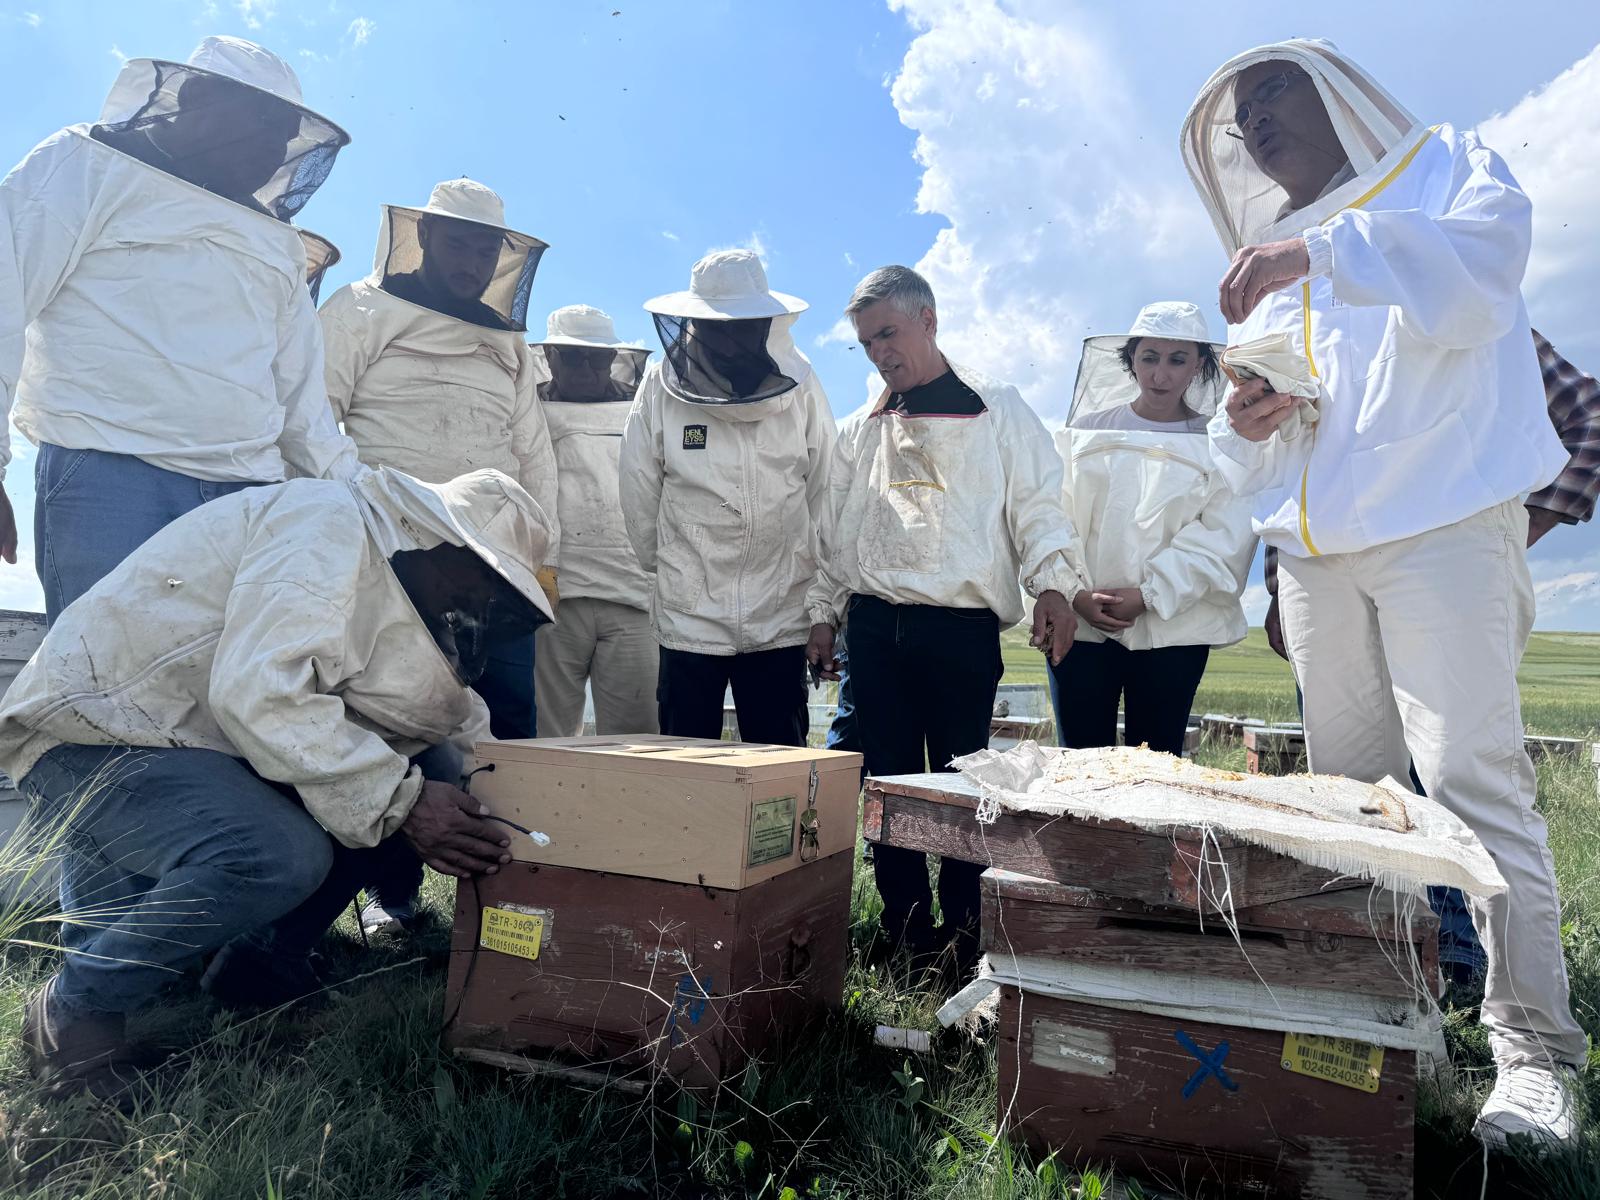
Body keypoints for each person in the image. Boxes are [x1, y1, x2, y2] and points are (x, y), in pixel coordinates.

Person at [1181, 38, 1582, 1149]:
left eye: (1270, 93)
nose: (1251, 125)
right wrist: (1246, 416)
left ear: (1335, 91)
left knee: (1472, 785)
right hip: (1317, 558)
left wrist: (1319, 251)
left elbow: (1480, 283)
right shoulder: (1269, 253)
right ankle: (1380, 1021)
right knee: (1350, 801)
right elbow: (1253, 438)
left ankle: (1535, 1052)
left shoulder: (1447, 165)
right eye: (1237, 118)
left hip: (1444, 527)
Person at [0, 467, 555, 1101]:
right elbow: (259, 693)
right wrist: (403, 801)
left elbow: (452, 726)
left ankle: (261, 961)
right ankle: (74, 1009)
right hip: (99, 729)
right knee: (276, 855)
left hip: (199, 739)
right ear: (438, 538)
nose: (477, 603)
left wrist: (521, 787)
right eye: (481, 580)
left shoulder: (394, 577)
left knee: (437, 771)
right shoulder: (327, 527)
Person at [1263, 327, 1600, 981]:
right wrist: (1281, 589)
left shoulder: (1474, 307)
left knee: (1448, 779)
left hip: (1443, 588)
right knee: (1355, 793)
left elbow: (1586, 416)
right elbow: (1292, 471)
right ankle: (1377, 960)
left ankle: (1464, 952)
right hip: (1329, 588)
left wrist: (1517, 526)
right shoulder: (1307, 334)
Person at [0, 36, 357, 618]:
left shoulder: (278, 240)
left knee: (223, 694)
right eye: (263, 122)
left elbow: (300, 394)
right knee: (100, 687)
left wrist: (357, 495)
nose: (276, 147)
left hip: (248, 494)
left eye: (286, 134)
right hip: (108, 475)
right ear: (194, 96)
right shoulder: (84, 162)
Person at [805, 265, 1080, 971]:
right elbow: (834, 529)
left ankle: (964, 934)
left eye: (888, 334)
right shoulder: (861, 428)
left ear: (928, 319)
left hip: (960, 628)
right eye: (867, 344)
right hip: (874, 625)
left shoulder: (998, 408)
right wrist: (822, 615)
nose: (880, 353)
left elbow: (1040, 503)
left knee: (964, 784)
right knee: (889, 785)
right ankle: (902, 932)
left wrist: (1053, 584)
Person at [319, 180, 557, 938]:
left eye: (488, 247)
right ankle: (393, 903)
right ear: (423, 236)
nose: (476, 258)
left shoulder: (509, 342)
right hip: (386, 558)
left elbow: (532, 454)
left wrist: (540, 558)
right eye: (461, 241)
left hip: (489, 563)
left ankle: (505, 909)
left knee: (505, 733)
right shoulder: (359, 307)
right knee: (392, 726)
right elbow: (314, 415)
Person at [619, 250, 833, 747]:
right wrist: (671, 569)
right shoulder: (659, 384)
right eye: (716, 325)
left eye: (742, 325)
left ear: (766, 324)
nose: (729, 337)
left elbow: (827, 489)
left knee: (778, 764)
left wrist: (823, 603)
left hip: (781, 611)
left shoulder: (801, 384)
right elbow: (637, 485)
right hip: (688, 615)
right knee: (685, 764)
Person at [1052, 302, 1255, 754]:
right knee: (1077, 768)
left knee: (1157, 766)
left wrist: (1149, 595)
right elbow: (1055, 518)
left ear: (1200, 364)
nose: (1160, 374)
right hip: (1083, 626)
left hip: (1174, 631)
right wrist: (1074, 594)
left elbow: (1224, 536)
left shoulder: (1219, 443)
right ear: (1131, 360)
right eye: (1149, 358)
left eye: (1176, 359)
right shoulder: (1084, 433)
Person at [529, 305, 657, 736]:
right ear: (549, 357)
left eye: (596, 357)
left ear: (612, 359)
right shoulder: (526, 411)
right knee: (547, 738)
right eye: (572, 356)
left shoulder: (644, 413)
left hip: (634, 598)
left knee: (635, 741)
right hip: (552, 599)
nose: (585, 366)